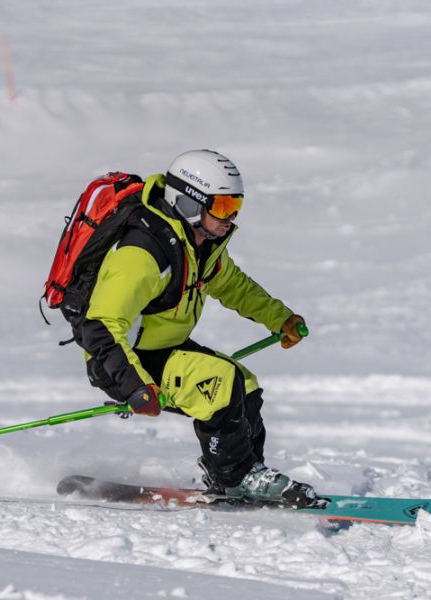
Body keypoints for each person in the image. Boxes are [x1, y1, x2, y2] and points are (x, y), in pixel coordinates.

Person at [78, 149, 316, 506]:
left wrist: (279, 318)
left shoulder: (201, 246)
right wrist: (133, 384)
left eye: (236, 206)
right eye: (221, 207)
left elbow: (234, 286)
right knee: (220, 383)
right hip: (124, 361)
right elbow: (100, 325)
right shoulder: (144, 254)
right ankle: (236, 477)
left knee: (243, 383)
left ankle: (243, 469)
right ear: (188, 202)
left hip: (161, 350)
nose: (231, 218)